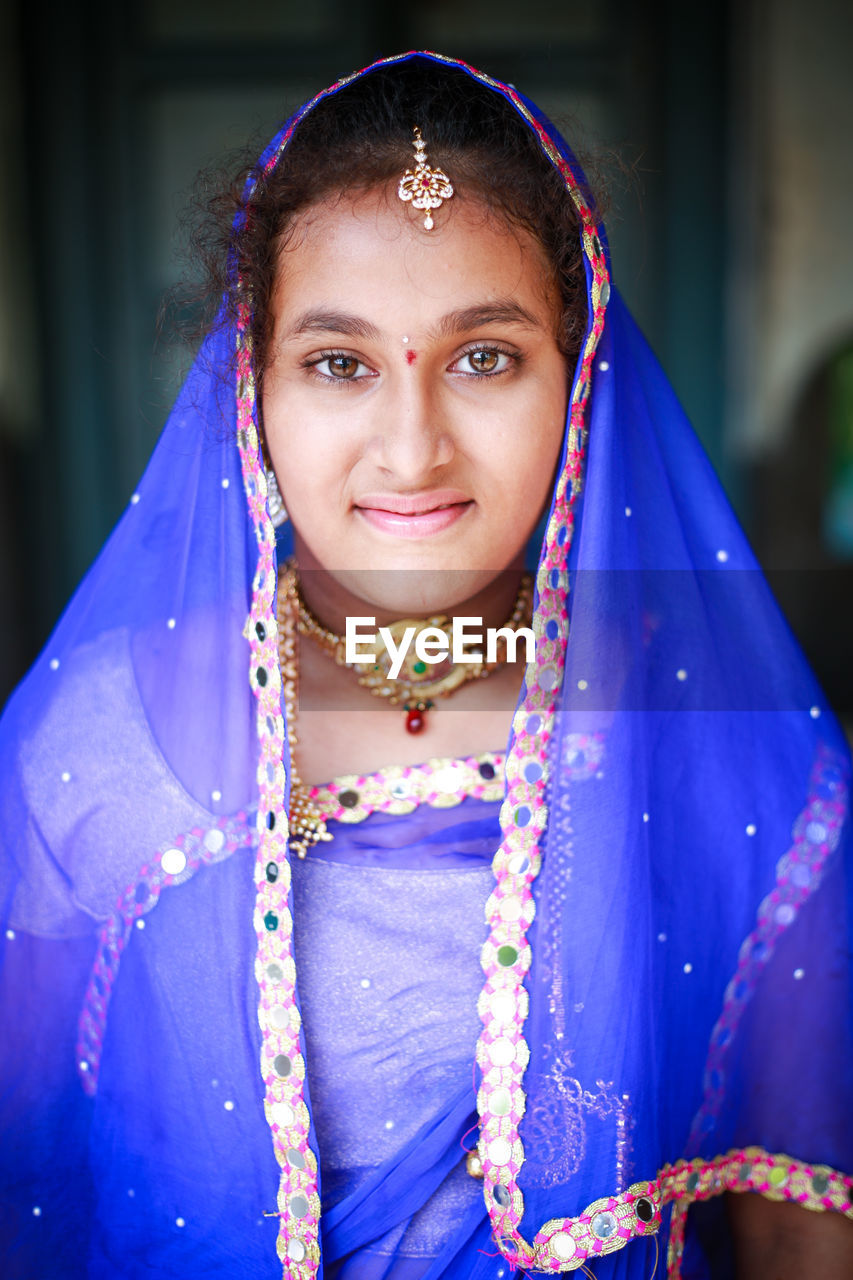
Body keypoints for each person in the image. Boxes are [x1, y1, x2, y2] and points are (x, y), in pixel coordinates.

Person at [1, 50, 851, 1280]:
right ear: (254, 393)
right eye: (339, 363)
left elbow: (797, 1219)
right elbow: (29, 1178)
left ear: (580, 376)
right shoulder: (100, 738)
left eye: (486, 356)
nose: (411, 447)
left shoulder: (718, 741)